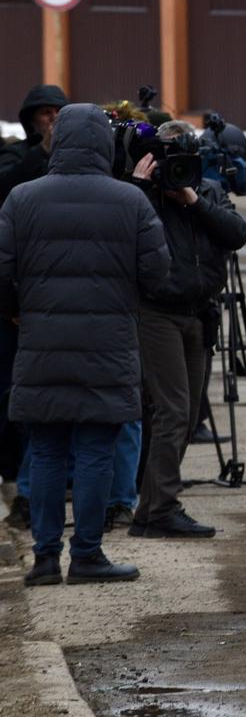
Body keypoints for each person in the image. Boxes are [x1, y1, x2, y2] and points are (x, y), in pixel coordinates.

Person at [1, 104, 169, 587]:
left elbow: (1, 271)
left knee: (49, 450)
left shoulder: (21, 198)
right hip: (108, 345)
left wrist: (18, 311)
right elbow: (157, 274)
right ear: (104, 144)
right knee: (96, 449)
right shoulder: (130, 201)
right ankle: (88, 555)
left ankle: (46, 558)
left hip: (41, 343)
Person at [129, 122, 246, 539]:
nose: (173, 168)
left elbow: (238, 234)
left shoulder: (209, 191)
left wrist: (194, 199)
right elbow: (125, 239)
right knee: (173, 411)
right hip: (157, 313)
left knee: (183, 412)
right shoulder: (139, 199)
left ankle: (150, 511)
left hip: (200, 313)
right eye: (166, 159)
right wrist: (143, 189)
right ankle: (161, 508)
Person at [0, 84, 67, 513]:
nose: (51, 120)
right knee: (20, 397)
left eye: (57, 113)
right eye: (44, 114)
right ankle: (20, 482)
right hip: (19, 305)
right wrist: (41, 152)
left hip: (61, 300)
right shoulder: (17, 159)